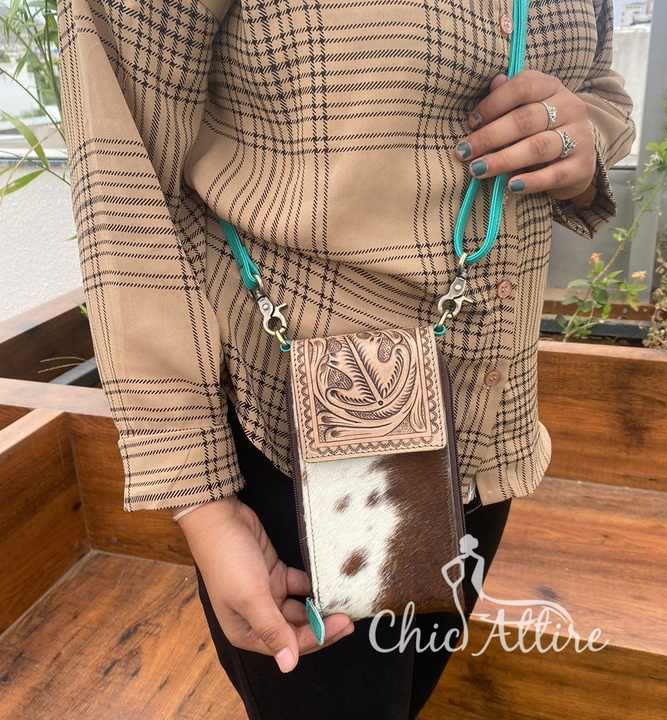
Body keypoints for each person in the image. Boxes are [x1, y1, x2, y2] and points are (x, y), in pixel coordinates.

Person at [56, 0, 634, 717]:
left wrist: (582, 137)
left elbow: (599, 88)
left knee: (409, 695)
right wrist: (202, 500)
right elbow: (124, 176)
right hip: (294, 446)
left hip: (487, 429)